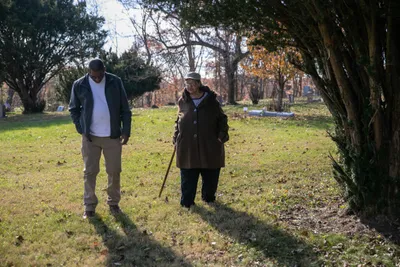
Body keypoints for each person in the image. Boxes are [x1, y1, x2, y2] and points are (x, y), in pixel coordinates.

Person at [69, 59, 132, 219]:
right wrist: (80, 127)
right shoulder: (79, 84)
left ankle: (113, 203)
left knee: (114, 171)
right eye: (94, 76)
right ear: (89, 72)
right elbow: (73, 108)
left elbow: (125, 109)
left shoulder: (115, 82)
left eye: (100, 75)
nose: (97, 79)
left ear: (104, 70)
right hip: (90, 136)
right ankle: (89, 206)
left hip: (112, 135)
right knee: (89, 172)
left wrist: (126, 131)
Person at [173, 72, 229, 208]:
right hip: (187, 145)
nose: (189, 87)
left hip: (209, 144)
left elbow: (222, 119)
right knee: (188, 174)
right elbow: (178, 120)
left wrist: (221, 135)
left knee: (210, 173)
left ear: (199, 84)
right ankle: (187, 202)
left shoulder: (211, 100)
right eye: (187, 84)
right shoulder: (183, 100)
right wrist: (176, 137)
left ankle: (208, 198)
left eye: (192, 83)